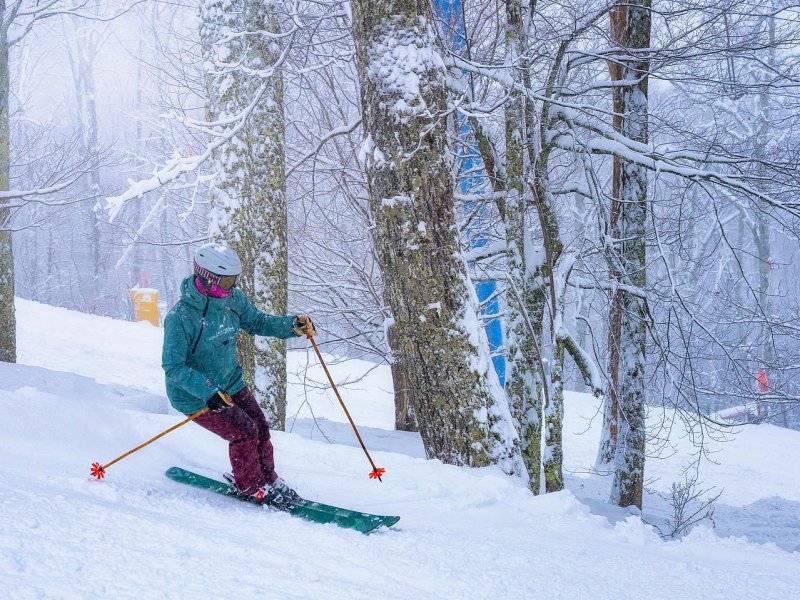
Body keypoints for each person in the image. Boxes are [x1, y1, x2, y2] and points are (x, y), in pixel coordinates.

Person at [162, 243, 315, 505]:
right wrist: (207, 391)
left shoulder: (233, 300)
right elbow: (173, 366)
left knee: (260, 426)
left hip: (230, 382)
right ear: (207, 279)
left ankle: (268, 478)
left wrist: (292, 326)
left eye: (234, 280)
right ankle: (251, 486)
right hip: (195, 395)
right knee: (243, 432)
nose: (230, 287)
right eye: (226, 281)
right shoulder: (181, 317)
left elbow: (257, 321)